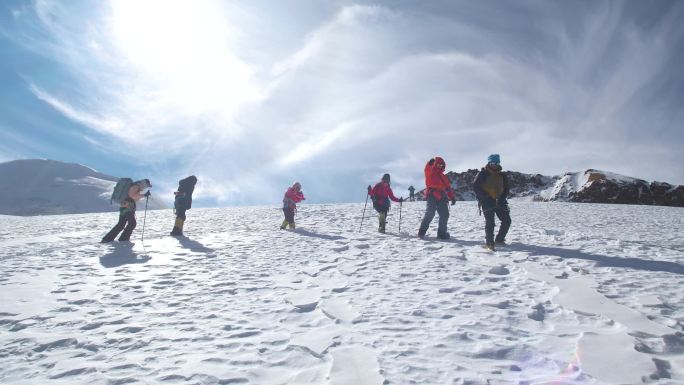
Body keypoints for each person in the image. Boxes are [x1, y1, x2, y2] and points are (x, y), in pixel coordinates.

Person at [473, 154, 511, 250]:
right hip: (487, 201)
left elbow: (506, 188)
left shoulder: (502, 175)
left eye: (497, 163)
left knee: (507, 221)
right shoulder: (482, 174)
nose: (495, 165)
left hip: (500, 201)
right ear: (489, 162)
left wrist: (502, 198)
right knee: (490, 222)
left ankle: (499, 239)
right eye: (493, 163)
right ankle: (489, 243)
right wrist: (485, 196)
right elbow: (476, 187)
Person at [418, 157, 455, 239]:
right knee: (430, 213)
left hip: (442, 196)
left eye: (441, 164)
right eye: (438, 164)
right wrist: (429, 163)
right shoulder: (430, 171)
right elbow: (426, 169)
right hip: (432, 195)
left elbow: (448, 188)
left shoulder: (443, 176)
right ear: (435, 164)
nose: (440, 165)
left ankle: (441, 233)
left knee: (445, 214)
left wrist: (452, 197)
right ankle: (421, 232)